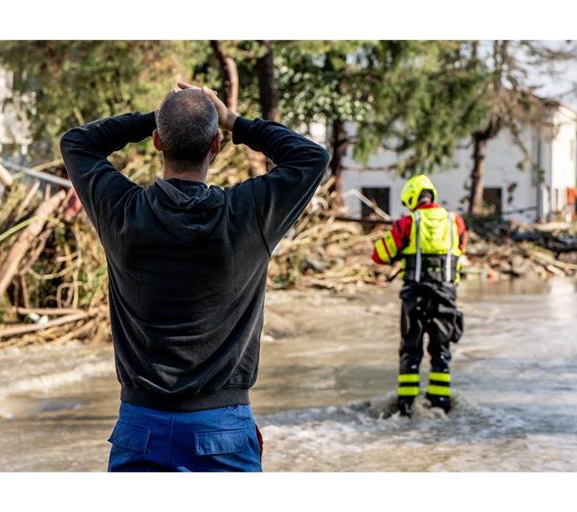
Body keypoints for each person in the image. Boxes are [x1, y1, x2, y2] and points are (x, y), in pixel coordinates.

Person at [60, 82, 329, 471]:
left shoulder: (123, 212)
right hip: (222, 430)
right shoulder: (246, 215)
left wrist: (160, 118)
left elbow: (76, 143)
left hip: (141, 428)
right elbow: (311, 157)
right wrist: (234, 120)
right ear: (216, 146)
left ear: (156, 142)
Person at [371, 175, 467, 417]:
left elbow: (379, 255)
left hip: (415, 295)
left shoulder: (407, 223)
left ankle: (406, 406)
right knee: (441, 348)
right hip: (446, 295)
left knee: (411, 349)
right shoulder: (454, 221)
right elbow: (460, 249)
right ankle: (440, 402)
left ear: (412, 198)